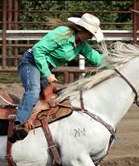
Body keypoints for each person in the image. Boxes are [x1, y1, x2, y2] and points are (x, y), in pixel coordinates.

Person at [9, 13, 105, 143]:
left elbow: (95, 58)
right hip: (30, 62)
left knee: (54, 98)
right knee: (34, 90)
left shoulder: (81, 44)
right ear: (83, 30)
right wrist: (48, 74)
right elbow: (38, 50)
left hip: (43, 66)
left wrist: (114, 65)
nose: (92, 36)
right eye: (91, 33)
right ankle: (19, 124)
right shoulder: (62, 33)